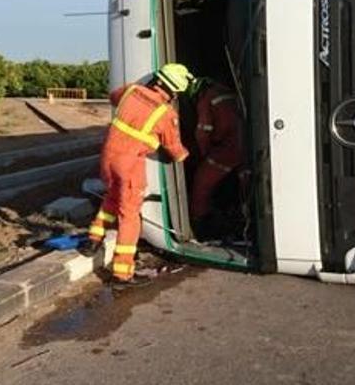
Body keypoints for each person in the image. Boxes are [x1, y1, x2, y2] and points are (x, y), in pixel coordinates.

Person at [83, 63, 193, 287]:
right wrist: (186, 156)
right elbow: (174, 149)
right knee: (130, 216)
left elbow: (114, 97)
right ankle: (122, 274)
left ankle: (92, 241)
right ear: (173, 92)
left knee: (112, 198)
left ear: (157, 79)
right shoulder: (166, 113)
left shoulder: (132, 91)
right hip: (129, 165)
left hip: (108, 157)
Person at [189, 77, 243, 227]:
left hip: (229, 147)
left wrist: (204, 154)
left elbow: (203, 131)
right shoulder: (229, 92)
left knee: (202, 180)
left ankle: (200, 220)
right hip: (246, 143)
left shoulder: (206, 98)